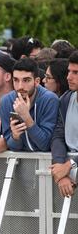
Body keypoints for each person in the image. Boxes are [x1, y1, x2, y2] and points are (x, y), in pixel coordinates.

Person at [0, 58, 59, 151]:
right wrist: (15, 137)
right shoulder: (6, 101)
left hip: (46, 163)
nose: (20, 86)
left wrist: (26, 118)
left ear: (37, 81)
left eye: (26, 80)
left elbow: (45, 145)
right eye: (16, 80)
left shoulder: (50, 100)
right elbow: (12, 147)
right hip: (19, 162)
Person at [50, 50, 78, 197]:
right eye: (69, 71)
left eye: (76, 72)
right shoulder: (66, 100)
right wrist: (60, 168)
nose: (69, 77)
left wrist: (69, 165)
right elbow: (58, 135)